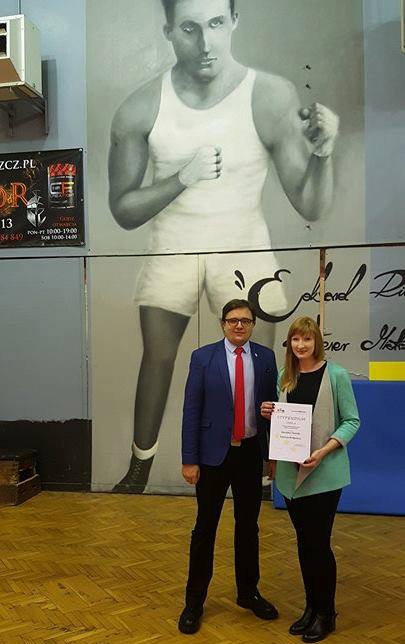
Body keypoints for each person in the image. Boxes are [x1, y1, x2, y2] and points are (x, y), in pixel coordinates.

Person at [109, 0, 340, 493]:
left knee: (265, 363)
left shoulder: (269, 95)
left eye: (216, 23)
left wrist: (323, 154)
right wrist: (181, 178)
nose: (205, 42)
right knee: (158, 358)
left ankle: (269, 467)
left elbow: (310, 205)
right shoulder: (141, 106)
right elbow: (123, 209)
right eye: (190, 28)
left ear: (234, 21)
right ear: (169, 31)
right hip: (173, 243)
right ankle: (139, 469)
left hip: (243, 242)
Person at [178, 299, 278, 633]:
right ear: (222, 323)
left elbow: (273, 410)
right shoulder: (202, 357)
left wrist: (272, 454)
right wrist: (189, 459)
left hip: (249, 454)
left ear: (252, 325)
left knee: (248, 527)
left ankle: (248, 593)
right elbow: (191, 410)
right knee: (204, 529)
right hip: (211, 458)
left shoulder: (266, 358)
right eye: (233, 320)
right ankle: (194, 602)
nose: (239, 326)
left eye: (245, 321)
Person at [261, 316, 360, 643]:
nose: (301, 345)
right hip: (291, 475)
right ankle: (311, 608)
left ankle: (326, 614)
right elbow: (284, 422)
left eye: (307, 339)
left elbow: (352, 421)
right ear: (289, 343)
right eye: (295, 339)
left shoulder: (337, 375)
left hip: (324, 474)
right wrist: (269, 412)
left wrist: (324, 450)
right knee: (304, 543)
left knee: (319, 544)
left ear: (317, 341)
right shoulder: (285, 376)